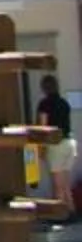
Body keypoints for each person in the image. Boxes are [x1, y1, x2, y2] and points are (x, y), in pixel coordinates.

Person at [39, 75, 73, 219]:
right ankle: (71, 211)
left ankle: (60, 215)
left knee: (57, 185)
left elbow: (43, 127)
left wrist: (41, 148)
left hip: (55, 144)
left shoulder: (44, 104)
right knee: (65, 184)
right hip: (69, 143)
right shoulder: (64, 103)